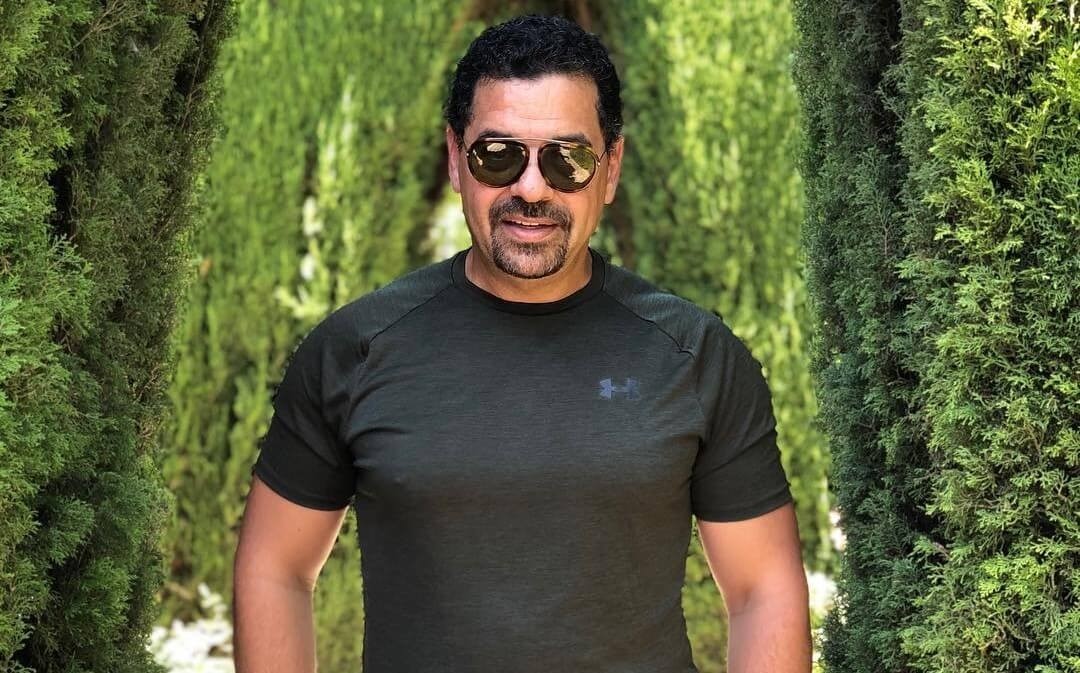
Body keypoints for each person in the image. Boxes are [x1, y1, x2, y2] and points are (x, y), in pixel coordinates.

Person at [233, 14, 811, 673]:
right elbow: (274, 567)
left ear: (611, 168)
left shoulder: (695, 356)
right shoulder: (355, 350)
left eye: (568, 160)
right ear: (456, 159)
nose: (531, 188)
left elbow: (763, 589)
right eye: (498, 155)